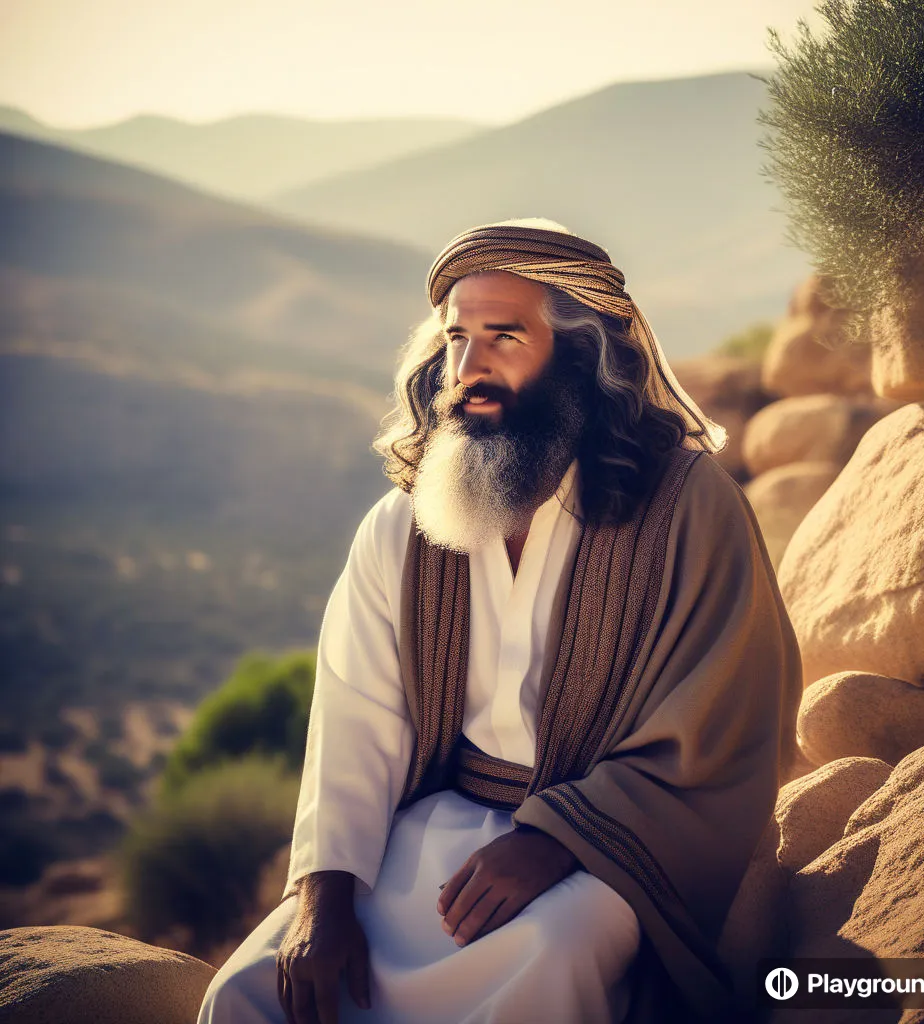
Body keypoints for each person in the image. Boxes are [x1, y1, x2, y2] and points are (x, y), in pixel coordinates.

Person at [197, 219, 802, 1024]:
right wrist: (325, 899)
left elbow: (728, 719)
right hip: (435, 833)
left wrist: (558, 840)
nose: (469, 368)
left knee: (551, 955)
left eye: (504, 338)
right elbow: (354, 718)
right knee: (247, 991)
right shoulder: (403, 526)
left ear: (580, 355)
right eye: (457, 339)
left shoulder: (689, 508)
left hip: (612, 848)